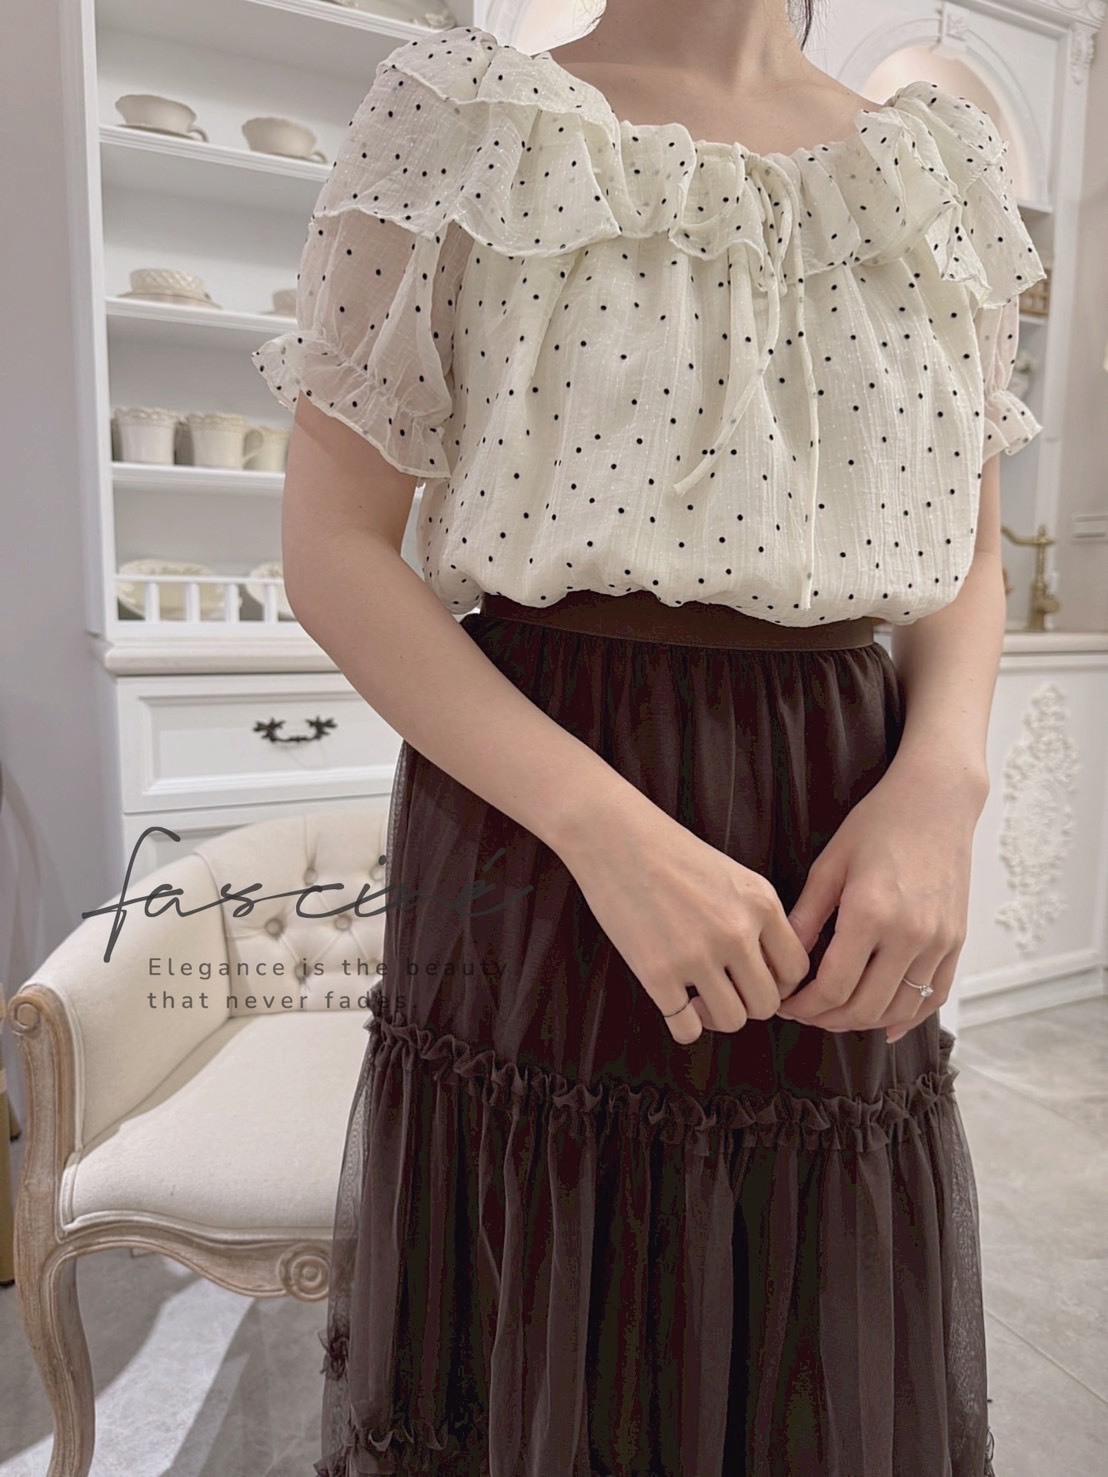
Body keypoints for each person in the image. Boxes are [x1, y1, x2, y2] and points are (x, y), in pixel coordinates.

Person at [252, 2, 1045, 1471]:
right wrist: (604, 833)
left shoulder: (943, 173)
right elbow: (335, 545)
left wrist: (945, 784)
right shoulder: (460, 122)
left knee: (806, 1321)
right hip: (544, 818)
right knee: (552, 1307)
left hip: (841, 816)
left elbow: (968, 552)